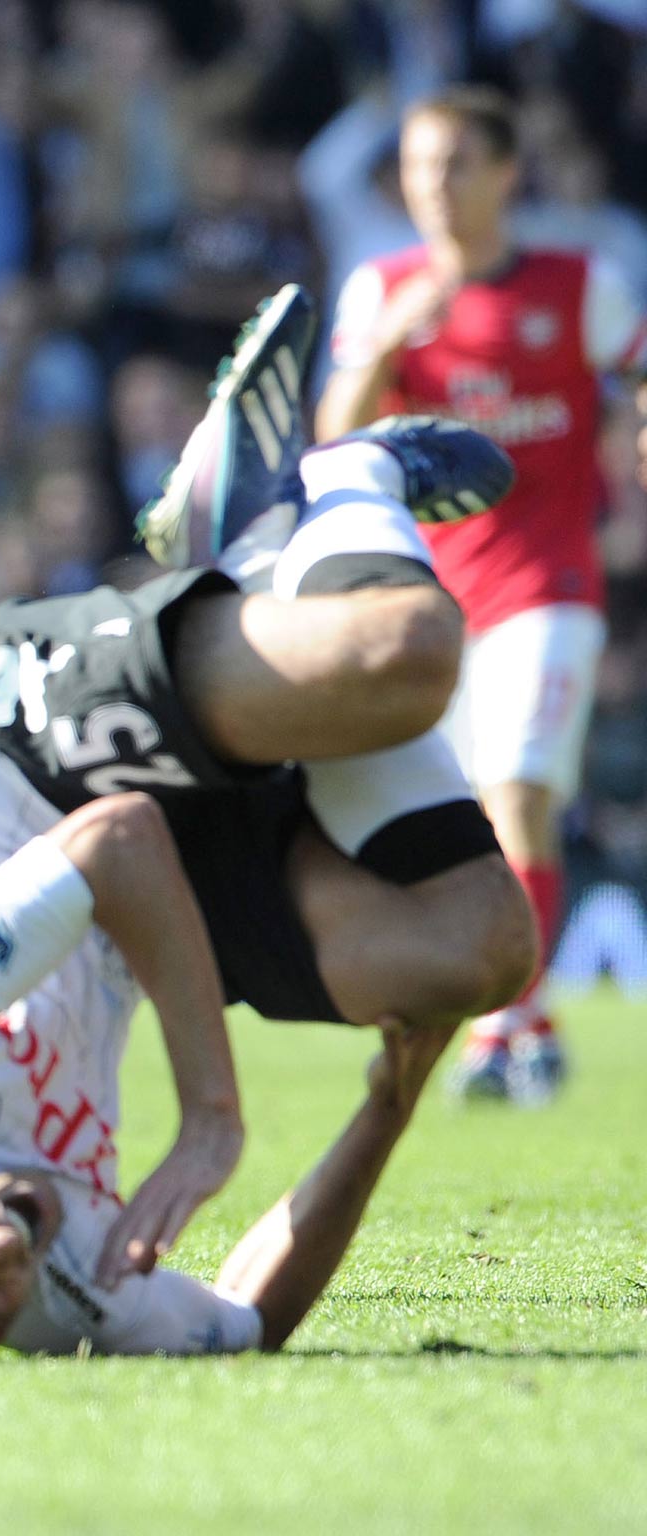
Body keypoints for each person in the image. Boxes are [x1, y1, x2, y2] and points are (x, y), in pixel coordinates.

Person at [0, 287, 537, 1357]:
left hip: (20, 762)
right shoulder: (48, 1295)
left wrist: (209, 1116)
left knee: (400, 656)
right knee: (478, 953)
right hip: (134, 918)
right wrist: (386, 1107)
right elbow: (243, 1321)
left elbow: (112, 837)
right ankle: (262, 553)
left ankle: (334, 479)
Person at [316, 86, 647, 1104]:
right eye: (416, 168)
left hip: (547, 583)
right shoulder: (380, 290)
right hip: (425, 600)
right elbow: (331, 442)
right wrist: (384, 348)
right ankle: (525, 1020)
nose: (432, 187)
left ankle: (499, 1018)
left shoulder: (575, 284)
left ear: (505, 173)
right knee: (460, 819)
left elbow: (635, 372)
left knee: (518, 797)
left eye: (454, 163)